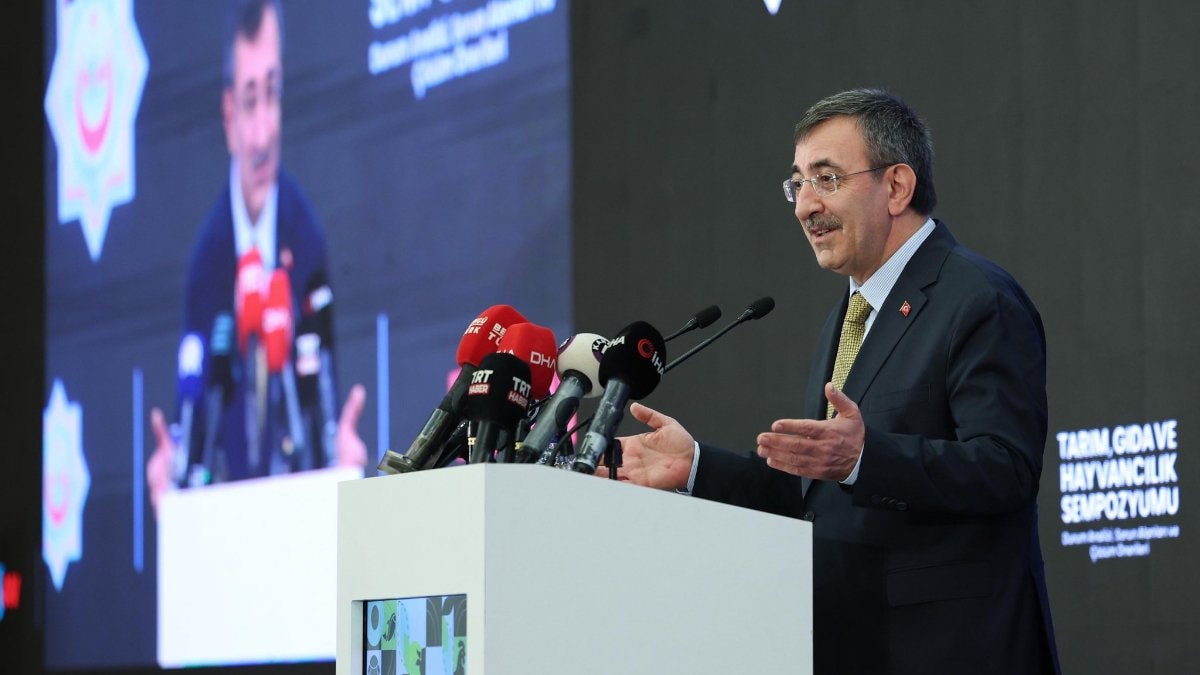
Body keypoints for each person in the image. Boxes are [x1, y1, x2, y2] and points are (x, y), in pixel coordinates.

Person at [612, 89, 1060, 673]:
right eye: (797, 184)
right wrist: (695, 465)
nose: (804, 206)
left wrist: (863, 458)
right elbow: (818, 488)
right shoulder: (848, 317)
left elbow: (1006, 468)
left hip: (954, 650)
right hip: (852, 645)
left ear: (896, 187)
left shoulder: (977, 299)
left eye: (826, 179)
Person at [147, 0, 366, 510]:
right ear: (229, 116)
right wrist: (174, 474)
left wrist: (338, 454)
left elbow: (323, 387)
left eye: (273, 95)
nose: (265, 132)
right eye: (250, 102)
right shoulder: (206, 262)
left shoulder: (307, 237)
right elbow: (194, 415)